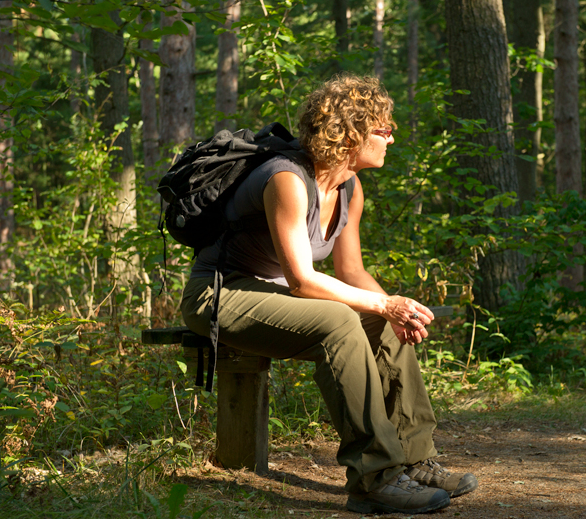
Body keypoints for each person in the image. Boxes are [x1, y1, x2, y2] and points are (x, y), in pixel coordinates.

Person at [181, 74, 478, 514]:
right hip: (220, 295)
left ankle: (415, 461)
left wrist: (395, 311)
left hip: (275, 294)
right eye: (384, 129)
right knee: (339, 320)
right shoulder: (286, 180)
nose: (391, 139)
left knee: (382, 320)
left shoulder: (349, 189)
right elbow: (302, 280)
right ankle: (374, 478)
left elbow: (351, 271)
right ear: (349, 132)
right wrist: (383, 303)